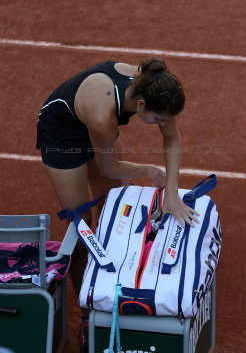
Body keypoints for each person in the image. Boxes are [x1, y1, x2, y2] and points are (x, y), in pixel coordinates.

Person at [36, 58, 199, 352]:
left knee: (112, 219)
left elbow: (172, 138)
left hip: (101, 135)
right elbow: (110, 168)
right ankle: (88, 315)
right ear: (139, 104)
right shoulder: (103, 113)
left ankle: (114, 292)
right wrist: (149, 170)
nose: (162, 124)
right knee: (82, 231)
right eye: (158, 119)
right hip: (62, 138)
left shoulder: (159, 89)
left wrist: (172, 191)